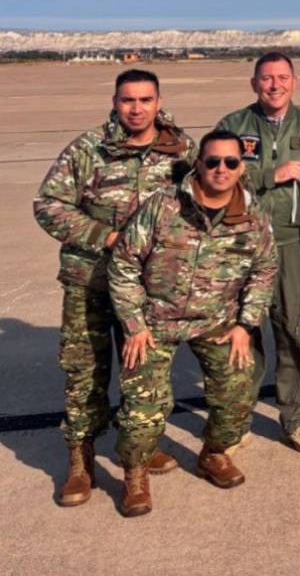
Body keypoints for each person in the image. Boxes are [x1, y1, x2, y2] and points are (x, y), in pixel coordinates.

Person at [33, 68, 194, 507]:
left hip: (149, 290)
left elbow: (202, 203)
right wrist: (103, 236)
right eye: (128, 100)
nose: (137, 108)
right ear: (116, 102)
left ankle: (137, 464)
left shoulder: (181, 151)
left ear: (158, 101)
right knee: (85, 374)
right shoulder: (88, 149)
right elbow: (48, 205)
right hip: (91, 281)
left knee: (145, 378)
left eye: (145, 100)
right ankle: (81, 463)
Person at [108, 129, 277, 516]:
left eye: (230, 162)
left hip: (215, 321)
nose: (221, 169)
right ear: (198, 164)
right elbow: (124, 263)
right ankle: (135, 471)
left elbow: (265, 271)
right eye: (213, 161)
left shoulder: (253, 217)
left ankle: (213, 454)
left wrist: (245, 326)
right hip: (156, 321)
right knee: (144, 408)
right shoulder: (164, 206)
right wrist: (134, 323)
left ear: (240, 167)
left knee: (237, 390)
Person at [217, 52, 300, 454]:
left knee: (295, 333)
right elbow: (214, 174)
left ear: (294, 82)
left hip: (292, 243)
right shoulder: (233, 126)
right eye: (267, 78)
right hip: (241, 246)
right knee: (241, 336)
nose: (275, 85)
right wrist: (270, 175)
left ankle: (296, 419)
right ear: (254, 83)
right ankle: (236, 420)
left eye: (282, 78)